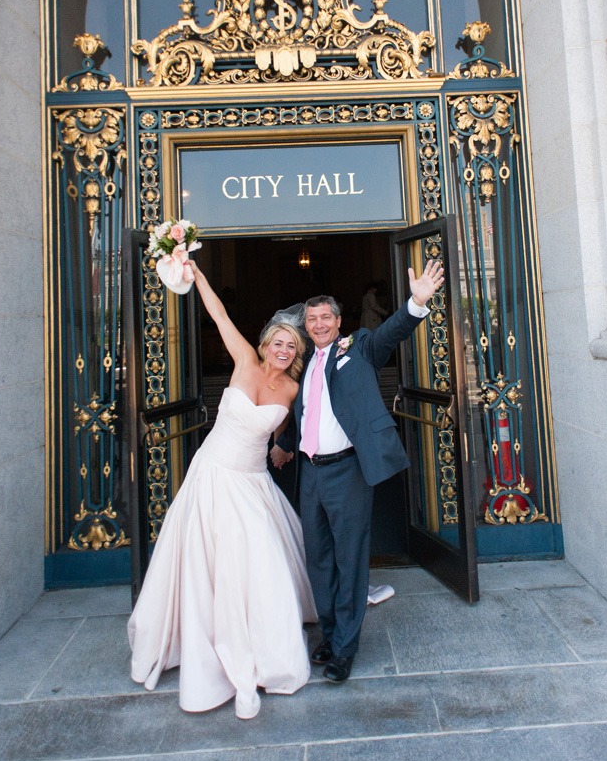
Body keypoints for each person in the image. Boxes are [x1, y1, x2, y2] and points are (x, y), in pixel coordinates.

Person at [127, 262, 316, 720]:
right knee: (214, 566)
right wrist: (199, 276)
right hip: (212, 476)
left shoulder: (293, 389)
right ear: (265, 343)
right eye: (278, 343)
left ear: (298, 351)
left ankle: (268, 652)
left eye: (292, 345)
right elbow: (218, 315)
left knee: (259, 564)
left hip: (253, 482)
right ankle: (214, 650)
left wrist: (283, 450)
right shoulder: (244, 362)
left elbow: (285, 433)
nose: (284, 350)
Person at [271, 260, 444, 683]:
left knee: (349, 562)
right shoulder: (305, 363)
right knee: (320, 561)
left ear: (339, 320)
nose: (318, 324)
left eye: (325, 317)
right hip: (310, 474)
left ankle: (344, 649)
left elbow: (392, 333)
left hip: (347, 473)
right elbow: (304, 412)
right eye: (311, 319)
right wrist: (283, 444)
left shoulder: (359, 347)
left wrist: (416, 303)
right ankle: (329, 634)